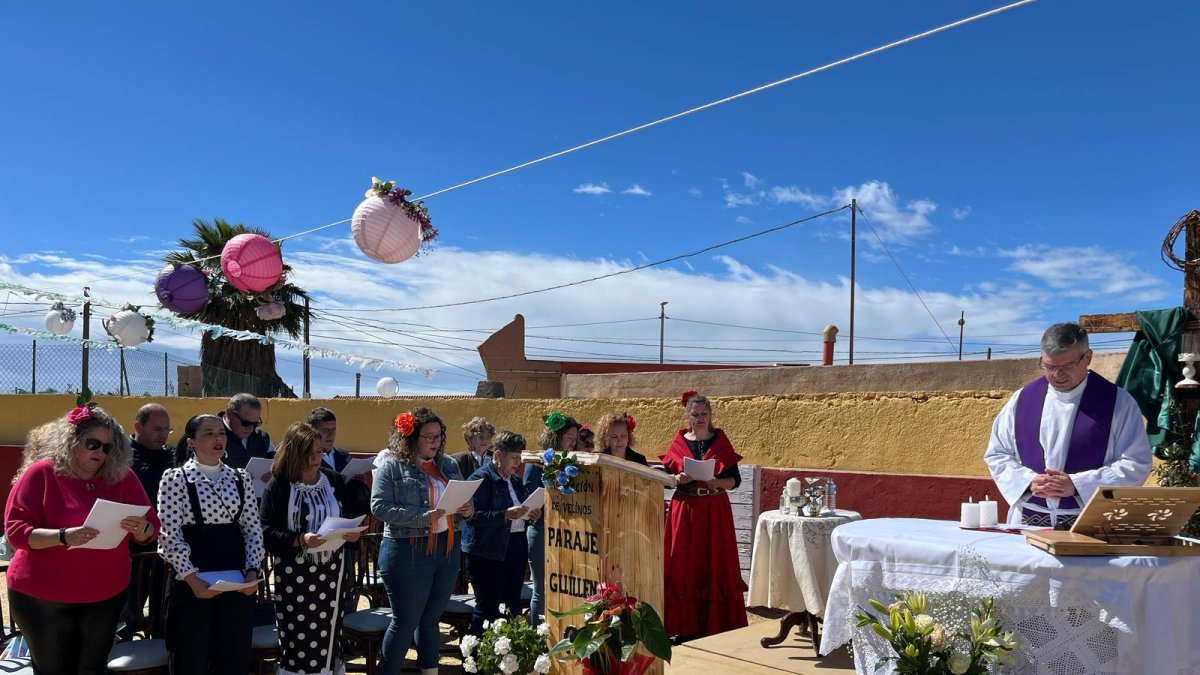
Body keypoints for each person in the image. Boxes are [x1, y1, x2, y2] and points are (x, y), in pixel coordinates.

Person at [4, 402, 159, 674]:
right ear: (71, 440)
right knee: (55, 670)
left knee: (92, 668)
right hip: (42, 597)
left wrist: (142, 529)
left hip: (105, 595)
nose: (101, 452)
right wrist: (63, 537)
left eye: (108, 447)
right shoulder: (41, 473)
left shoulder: (122, 477)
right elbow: (16, 532)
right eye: (93, 444)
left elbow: (152, 527)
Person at [984, 322, 1153, 528]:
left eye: (1067, 366)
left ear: (1088, 357)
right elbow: (997, 454)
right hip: (1028, 520)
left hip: (1089, 522)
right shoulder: (1022, 400)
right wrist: (1028, 481)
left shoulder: (1119, 402)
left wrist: (1078, 484)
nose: (1057, 375)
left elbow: (1135, 463)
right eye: (1050, 366)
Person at [157, 413, 265, 675]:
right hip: (192, 582)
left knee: (232, 657)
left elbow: (252, 528)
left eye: (221, 434)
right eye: (208, 433)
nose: (218, 439)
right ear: (191, 441)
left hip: (235, 583)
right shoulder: (175, 479)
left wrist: (252, 573)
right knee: (190, 657)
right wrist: (193, 580)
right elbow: (169, 535)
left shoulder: (240, 479)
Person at [371, 408, 474, 675]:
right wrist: (421, 517)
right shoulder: (392, 465)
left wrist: (467, 508)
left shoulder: (449, 464)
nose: (435, 441)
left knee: (430, 620)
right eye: (428, 436)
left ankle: (430, 670)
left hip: (447, 548)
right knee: (405, 621)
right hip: (407, 550)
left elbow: (466, 500)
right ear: (412, 438)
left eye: (438, 435)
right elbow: (379, 507)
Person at [260, 422, 366, 675]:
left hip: (332, 574)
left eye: (319, 452)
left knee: (329, 635)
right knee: (298, 637)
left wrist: (351, 535)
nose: (314, 458)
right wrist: (300, 539)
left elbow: (349, 515)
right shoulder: (280, 485)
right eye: (308, 453)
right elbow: (265, 531)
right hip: (294, 575)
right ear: (293, 453)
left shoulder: (333, 480)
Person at [660, 391, 747, 639]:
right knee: (681, 565)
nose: (700, 418)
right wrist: (677, 479)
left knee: (714, 565)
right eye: (695, 414)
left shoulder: (720, 442)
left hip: (713, 511)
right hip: (684, 510)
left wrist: (718, 482)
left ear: (711, 416)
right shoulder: (677, 443)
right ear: (688, 416)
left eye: (704, 414)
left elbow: (735, 480)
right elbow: (666, 479)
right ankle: (682, 627)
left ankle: (716, 626)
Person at [463, 431, 540, 636]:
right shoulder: (481, 478)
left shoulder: (515, 481)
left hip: (514, 547)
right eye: (514, 458)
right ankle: (477, 663)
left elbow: (520, 510)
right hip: (487, 552)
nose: (517, 463)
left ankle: (507, 660)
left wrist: (531, 513)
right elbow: (472, 517)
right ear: (498, 455)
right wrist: (504, 515)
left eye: (519, 458)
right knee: (489, 608)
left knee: (511, 606)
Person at [122, 402, 174, 639]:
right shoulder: (121, 457)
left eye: (166, 430)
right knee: (128, 610)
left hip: (165, 544)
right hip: (131, 545)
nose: (162, 435)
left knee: (163, 610)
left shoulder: (172, 457)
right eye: (156, 429)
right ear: (137, 426)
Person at [522, 412, 580, 625]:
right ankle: (539, 636)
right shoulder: (536, 462)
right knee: (543, 589)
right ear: (556, 437)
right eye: (568, 437)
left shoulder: (574, 462)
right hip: (541, 529)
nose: (573, 443)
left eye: (575, 438)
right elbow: (529, 494)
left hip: (567, 531)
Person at [306, 406, 370, 518]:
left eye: (334, 429)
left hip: (344, 516)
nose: (331, 435)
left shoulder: (344, 456)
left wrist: (356, 481)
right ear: (313, 431)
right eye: (326, 430)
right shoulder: (305, 458)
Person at [218, 393, 274, 471]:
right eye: (245, 423)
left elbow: (275, 465)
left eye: (255, 424)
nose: (250, 428)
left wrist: (271, 473)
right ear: (230, 414)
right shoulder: (210, 435)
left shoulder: (263, 437)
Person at [450, 416, 495, 483]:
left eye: (488, 436)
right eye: (480, 437)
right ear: (469, 440)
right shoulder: (459, 460)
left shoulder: (496, 458)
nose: (485, 440)